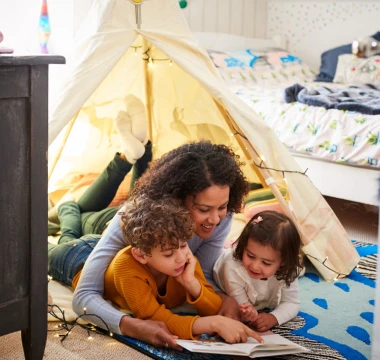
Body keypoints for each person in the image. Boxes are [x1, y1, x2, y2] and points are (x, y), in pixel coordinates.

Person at [48, 195, 263, 344]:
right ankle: (68, 208)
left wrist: (192, 284)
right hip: (76, 260)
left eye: (182, 245)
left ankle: (68, 211)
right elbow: (156, 319)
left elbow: (212, 306)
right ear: (141, 254)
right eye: (169, 254)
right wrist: (214, 323)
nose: (181, 257)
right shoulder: (128, 267)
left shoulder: (184, 259)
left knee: (68, 235)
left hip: (104, 250)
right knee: (45, 247)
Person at [213, 210, 303, 332]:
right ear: (244, 246)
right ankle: (229, 245)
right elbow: (242, 307)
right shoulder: (232, 266)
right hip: (223, 279)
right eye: (250, 256)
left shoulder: (288, 269)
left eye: (266, 263)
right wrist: (248, 313)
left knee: (298, 270)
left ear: (284, 262)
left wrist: (273, 318)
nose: (255, 266)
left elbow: (292, 303)